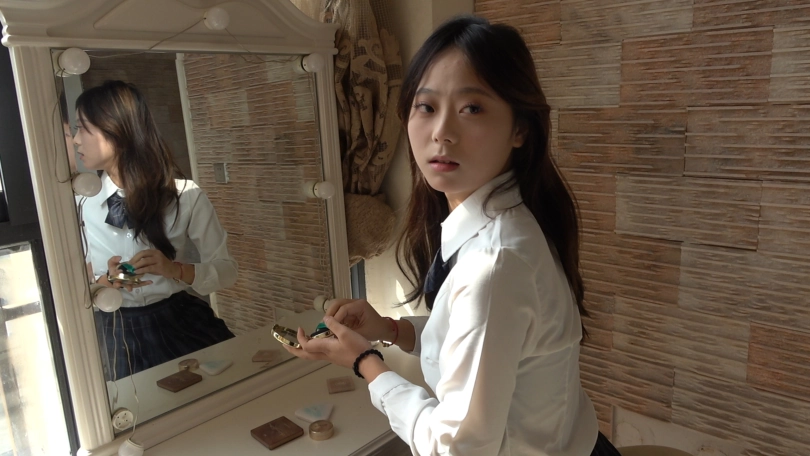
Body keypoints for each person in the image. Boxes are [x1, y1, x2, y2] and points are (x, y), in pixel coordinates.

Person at [284, 16, 621, 456]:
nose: (441, 131)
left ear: (520, 128)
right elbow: (479, 340)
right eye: (426, 107)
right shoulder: (504, 224)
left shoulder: (494, 263)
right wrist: (389, 329)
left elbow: (457, 448)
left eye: (472, 108)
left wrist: (365, 362)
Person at [74, 80, 237, 380]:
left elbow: (227, 271)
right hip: (114, 334)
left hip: (181, 324)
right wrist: (106, 282)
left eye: (83, 128)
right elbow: (68, 285)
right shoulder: (80, 203)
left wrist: (174, 269)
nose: (75, 140)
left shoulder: (186, 195)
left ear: (115, 130)